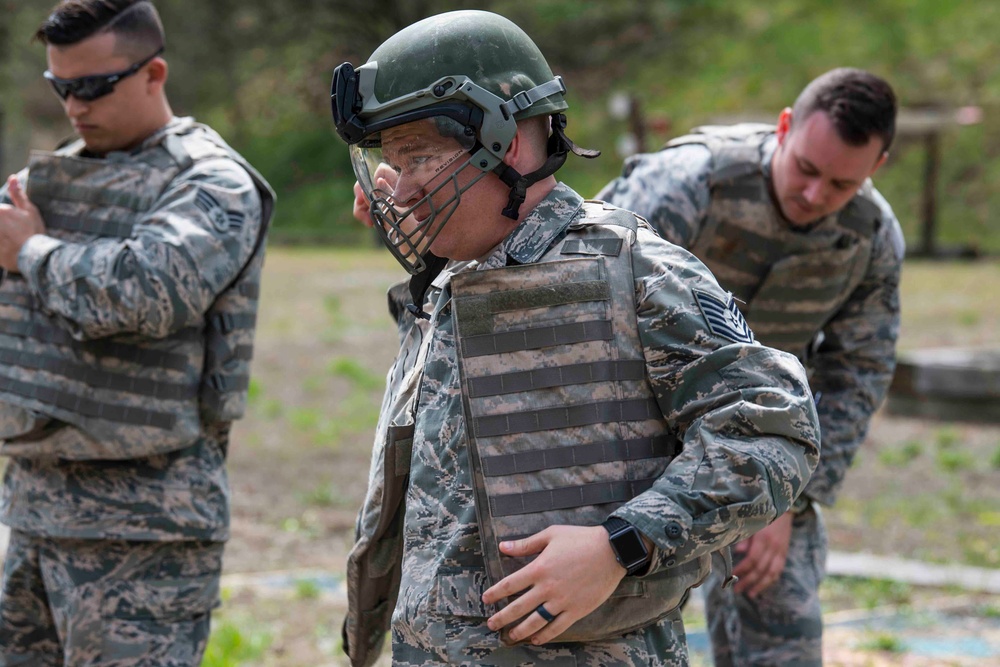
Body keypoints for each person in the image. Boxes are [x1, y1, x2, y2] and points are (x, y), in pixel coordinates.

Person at [333, 10, 820, 666]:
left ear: (502, 141)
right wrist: (418, 201)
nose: (403, 191)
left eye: (418, 157)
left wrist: (621, 544)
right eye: (391, 164)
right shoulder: (454, 270)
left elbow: (774, 433)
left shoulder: (635, 271)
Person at [598, 68, 903, 666]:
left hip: (763, 443)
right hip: (638, 430)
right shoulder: (688, 185)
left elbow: (856, 374)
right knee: (610, 629)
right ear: (784, 127)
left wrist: (789, 496)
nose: (815, 196)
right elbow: (583, 305)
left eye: (842, 183)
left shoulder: (870, 237)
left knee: (785, 627)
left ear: (878, 166)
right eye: (807, 169)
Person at [0, 1, 274, 664]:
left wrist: (32, 253)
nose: (75, 105)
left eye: (93, 86)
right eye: (61, 87)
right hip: (37, 512)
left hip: (147, 531)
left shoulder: (211, 181)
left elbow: (148, 290)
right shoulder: (56, 176)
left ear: (154, 73)